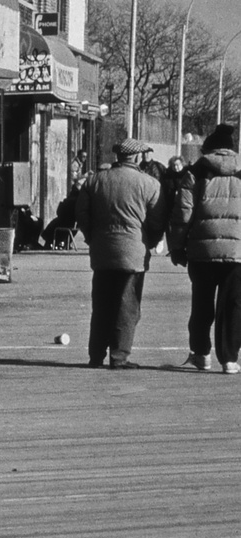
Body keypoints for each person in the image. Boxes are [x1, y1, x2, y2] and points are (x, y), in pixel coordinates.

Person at [74, 139, 170, 368]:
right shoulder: (150, 184)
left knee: (101, 306)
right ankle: (119, 356)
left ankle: (96, 355)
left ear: (118, 157)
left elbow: (81, 215)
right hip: (133, 253)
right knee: (127, 307)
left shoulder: (94, 181)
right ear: (137, 158)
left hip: (102, 253)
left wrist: (92, 238)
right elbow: (157, 222)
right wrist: (151, 242)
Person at [169, 124, 241, 372]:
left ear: (208, 148)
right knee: (233, 306)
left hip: (202, 251)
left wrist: (177, 247)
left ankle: (202, 354)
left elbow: (182, 214)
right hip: (237, 252)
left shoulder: (196, 172)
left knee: (201, 304)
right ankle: (230, 359)